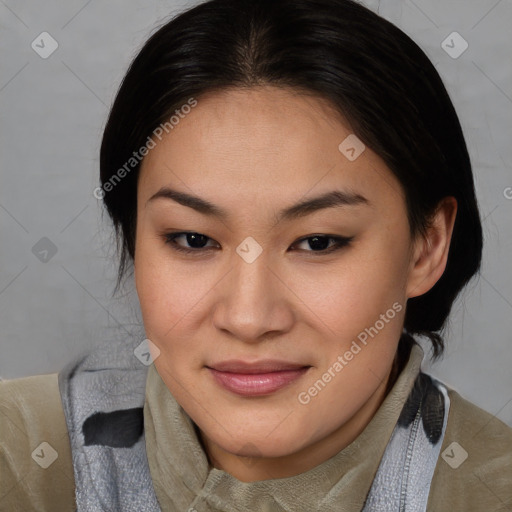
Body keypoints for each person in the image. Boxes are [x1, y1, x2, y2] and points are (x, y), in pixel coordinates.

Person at [1, 0, 511, 510]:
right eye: (193, 240)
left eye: (318, 242)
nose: (248, 318)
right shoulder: (20, 459)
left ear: (428, 245)